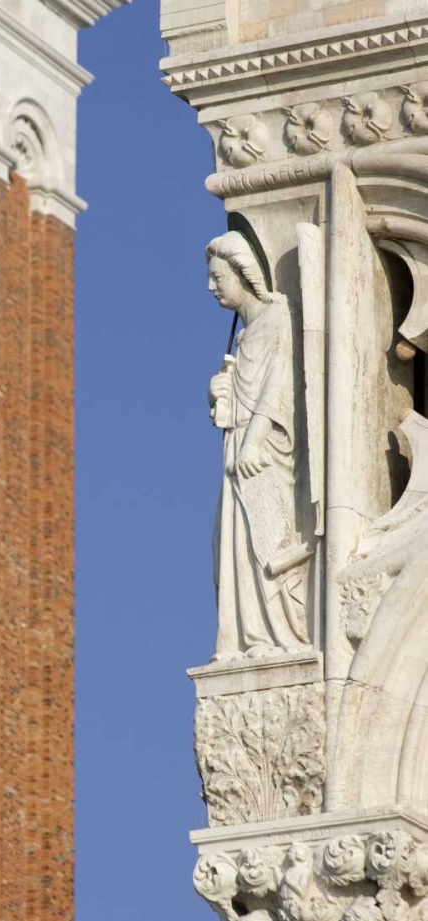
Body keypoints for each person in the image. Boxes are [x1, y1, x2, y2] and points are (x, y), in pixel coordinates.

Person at [207, 231, 310, 659]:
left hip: (262, 453)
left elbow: (277, 384)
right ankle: (242, 636)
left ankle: (278, 635)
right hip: (239, 448)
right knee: (228, 544)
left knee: (264, 540)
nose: (210, 287)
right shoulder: (244, 334)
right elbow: (243, 393)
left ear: (242, 274)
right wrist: (218, 395)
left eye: (217, 277)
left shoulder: (277, 315)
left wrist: (254, 440)